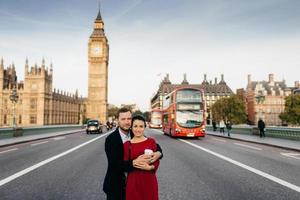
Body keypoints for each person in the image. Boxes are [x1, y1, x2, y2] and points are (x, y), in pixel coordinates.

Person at [103, 107, 163, 200]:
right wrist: (134, 162)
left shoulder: (135, 132)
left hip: (136, 184)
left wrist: (159, 153)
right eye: (123, 119)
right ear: (117, 120)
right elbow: (114, 164)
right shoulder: (110, 139)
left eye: (129, 119)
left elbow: (152, 145)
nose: (127, 122)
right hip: (116, 186)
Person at [124, 115, 159, 200]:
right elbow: (124, 165)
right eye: (135, 126)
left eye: (141, 126)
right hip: (133, 181)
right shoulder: (127, 145)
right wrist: (135, 162)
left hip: (149, 179)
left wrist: (150, 167)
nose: (138, 129)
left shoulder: (151, 142)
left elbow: (156, 161)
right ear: (131, 128)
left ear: (144, 128)